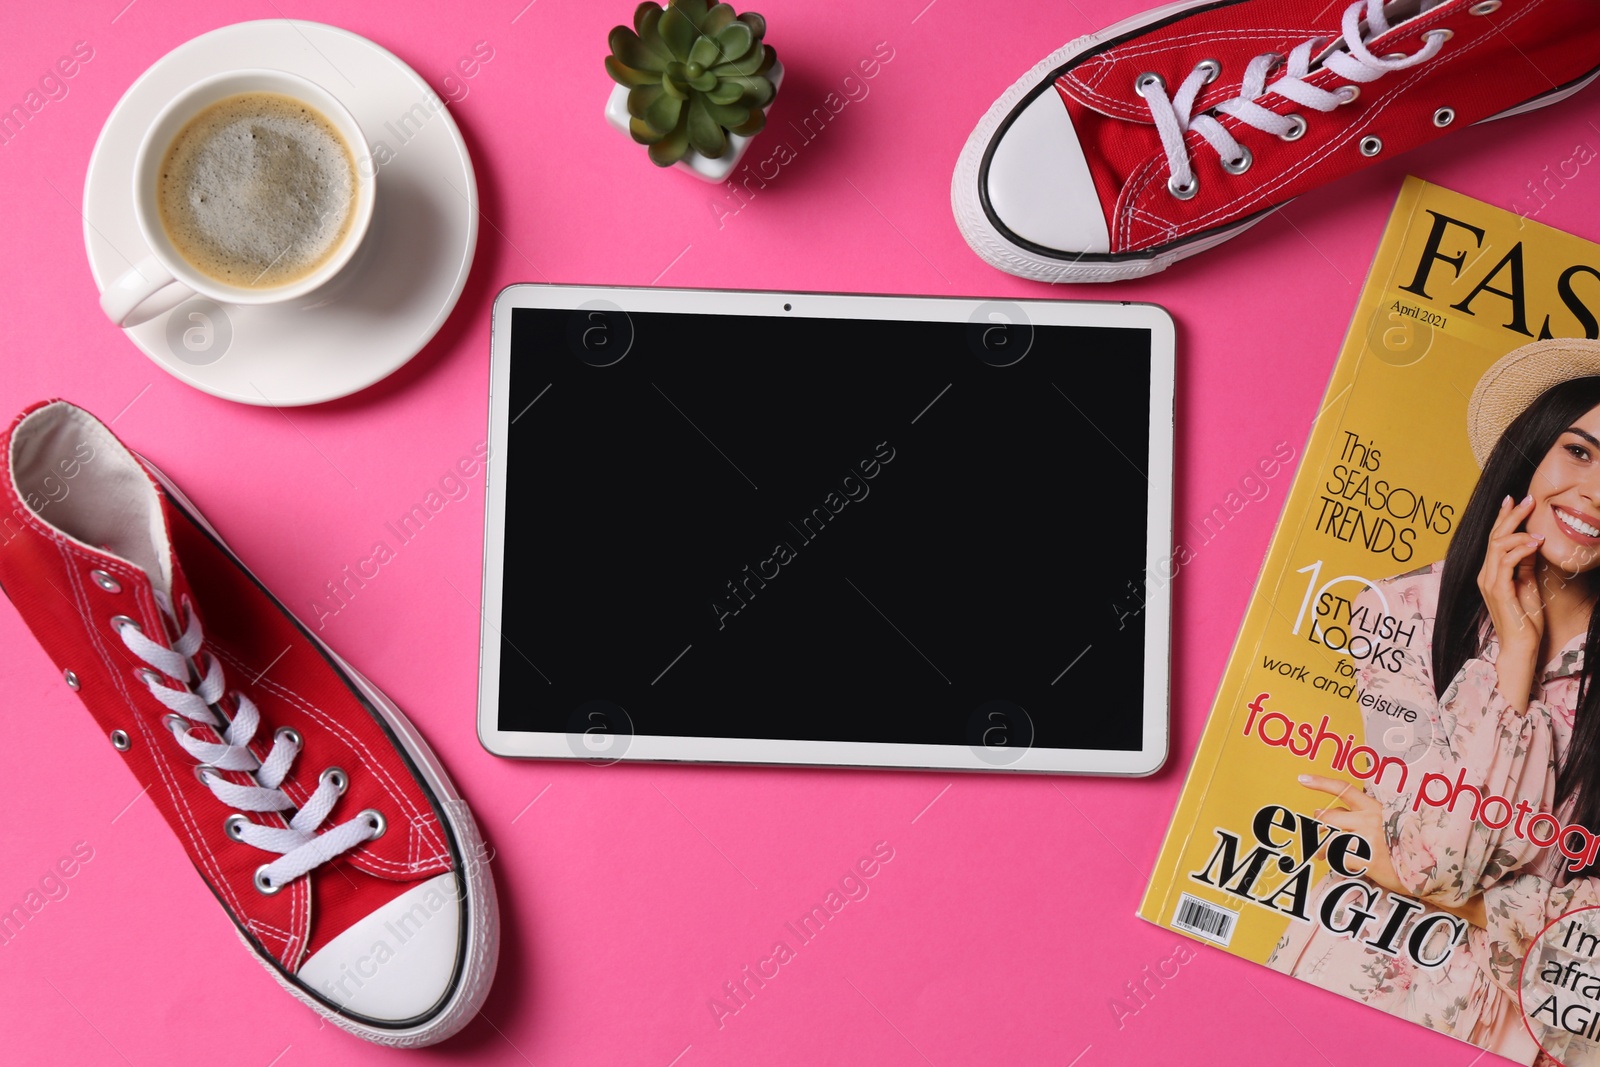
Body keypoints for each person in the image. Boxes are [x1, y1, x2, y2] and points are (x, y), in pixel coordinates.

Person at [1267, 338, 1600, 1065]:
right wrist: (1514, 656)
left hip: (1526, 1034)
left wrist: (1472, 901)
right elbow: (1440, 856)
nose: (1595, 492)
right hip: (1354, 983)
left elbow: (1422, 867)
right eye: (1580, 451)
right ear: (1532, 452)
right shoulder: (1400, 611)